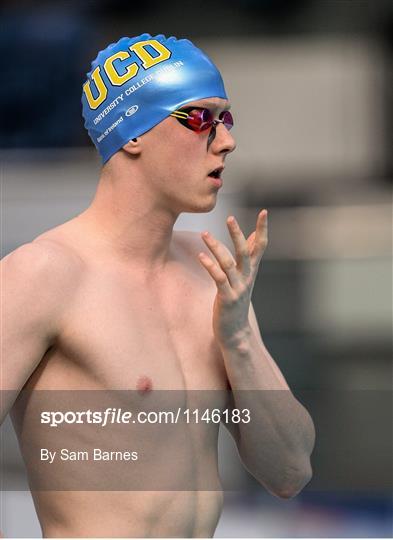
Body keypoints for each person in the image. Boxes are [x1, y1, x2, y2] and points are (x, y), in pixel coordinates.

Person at [1, 33, 315, 538]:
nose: (227, 140)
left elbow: (291, 472)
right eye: (198, 119)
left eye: (227, 119)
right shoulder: (44, 275)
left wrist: (237, 339)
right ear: (132, 133)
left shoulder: (212, 273)